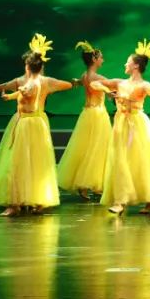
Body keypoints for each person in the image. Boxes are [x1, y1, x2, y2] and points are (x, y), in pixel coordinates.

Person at [0, 34, 73, 216]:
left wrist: (47, 88)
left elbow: (65, 85)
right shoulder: (22, 81)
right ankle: (16, 202)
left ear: (28, 66)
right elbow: (1, 88)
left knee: (37, 162)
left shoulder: (42, 82)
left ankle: (37, 200)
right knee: (18, 162)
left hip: (34, 123)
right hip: (24, 122)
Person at [93, 40, 150, 215]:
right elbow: (94, 84)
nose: (125, 64)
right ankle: (120, 201)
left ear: (135, 66)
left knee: (141, 161)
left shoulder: (144, 85)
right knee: (121, 161)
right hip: (121, 124)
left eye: (128, 62)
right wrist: (106, 90)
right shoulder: (119, 83)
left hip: (137, 124)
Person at [57, 41, 114, 200]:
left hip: (87, 114)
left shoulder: (84, 75)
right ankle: (92, 184)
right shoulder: (98, 78)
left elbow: (81, 82)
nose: (102, 60)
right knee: (98, 148)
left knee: (87, 147)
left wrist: (76, 82)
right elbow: (110, 88)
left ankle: (88, 184)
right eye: (101, 57)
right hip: (98, 114)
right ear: (94, 59)